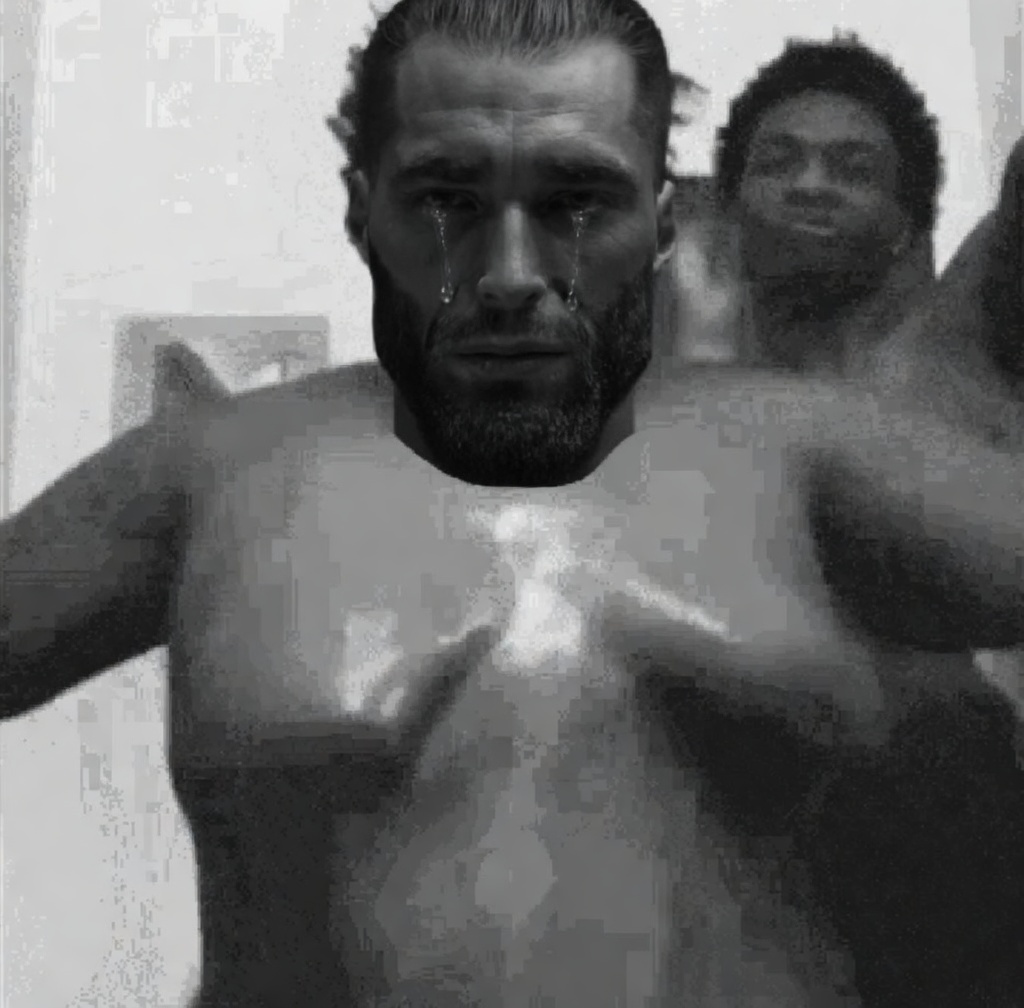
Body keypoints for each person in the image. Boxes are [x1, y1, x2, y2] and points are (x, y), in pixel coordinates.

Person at [2, 1, 1024, 1004]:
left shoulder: (805, 448)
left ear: (662, 218)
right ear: (362, 208)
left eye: (578, 202)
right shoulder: (211, 467)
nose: (510, 274)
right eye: (445, 200)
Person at [713, 34, 941, 375]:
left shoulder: (960, 395)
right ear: (730, 203)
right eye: (777, 163)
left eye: (855, 170)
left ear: (907, 223)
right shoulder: (657, 391)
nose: (810, 186)